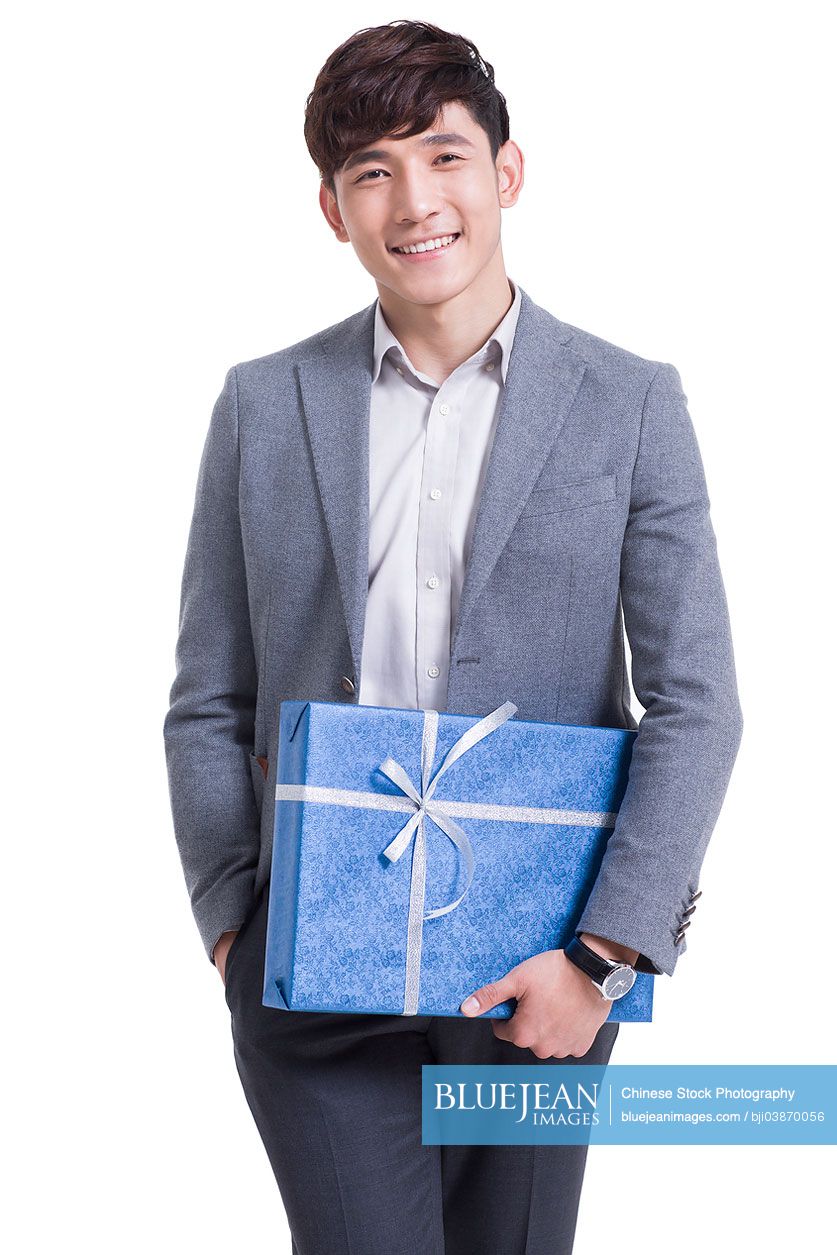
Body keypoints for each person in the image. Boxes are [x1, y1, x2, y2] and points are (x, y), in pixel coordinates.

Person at [162, 19, 743, 1255]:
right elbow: (209, 692)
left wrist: (603, 954)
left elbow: (699, 703)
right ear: (333, 208)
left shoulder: (632, 403)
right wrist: (232, 917)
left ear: (506, 173)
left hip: (541, 963)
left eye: (443, 156)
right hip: (312, 962)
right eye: (373, 170)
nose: (415, 201)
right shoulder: (264, 404)